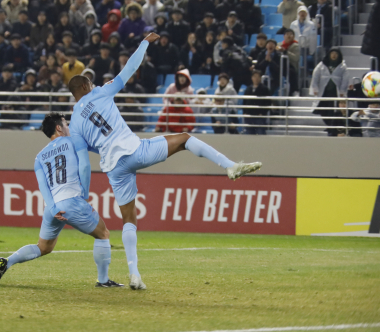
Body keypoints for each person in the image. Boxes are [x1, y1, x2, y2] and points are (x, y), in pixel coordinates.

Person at [67, 32, 261, 289]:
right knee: (184, 139)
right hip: (135, 151)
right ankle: (230, 166)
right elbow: (130, 68)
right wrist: (145, 42)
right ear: (83, 87)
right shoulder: (101, 93)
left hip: (114, 168)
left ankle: (134, 274)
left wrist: (83, 193)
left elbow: (83, 159)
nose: (92, 85)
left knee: (128, 220)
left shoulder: (74, 124)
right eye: (89, 84)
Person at [0, 113, 122, 287]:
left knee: (43, 247)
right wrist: (84, 193)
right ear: (59, 128)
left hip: (53, 206)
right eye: (66, 124)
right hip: (73, 200)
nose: (68, 127)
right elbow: (85, 165)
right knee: (103, 234)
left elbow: (43, 185)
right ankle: (103, 280)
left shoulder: (40, 157)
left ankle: (7, 262)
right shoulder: (74, 140)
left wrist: (52, 208)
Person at [310, 48, 349, 137]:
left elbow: (345, 79)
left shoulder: (342, 66)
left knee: (333, 112)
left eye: (336, 53)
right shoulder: (322, 65)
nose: (334, 55)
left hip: (335, 92)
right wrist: (314, 88)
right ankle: (330, 127)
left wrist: (343, 90)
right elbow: (315, 76)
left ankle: (332, 129)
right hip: (324, 92)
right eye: (332, 53)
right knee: (322, 111)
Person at [242, 69, 271, 135]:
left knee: (261, 135)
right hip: (249, 117)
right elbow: (244, 101)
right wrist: (245, 112)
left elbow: (268, 102)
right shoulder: (248, 89)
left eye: (258, 77)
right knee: (249, 136)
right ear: (252, 78)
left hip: (259, 117)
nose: (256, 78)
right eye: (254, 76)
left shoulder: (265, 89)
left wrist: (263, 113)